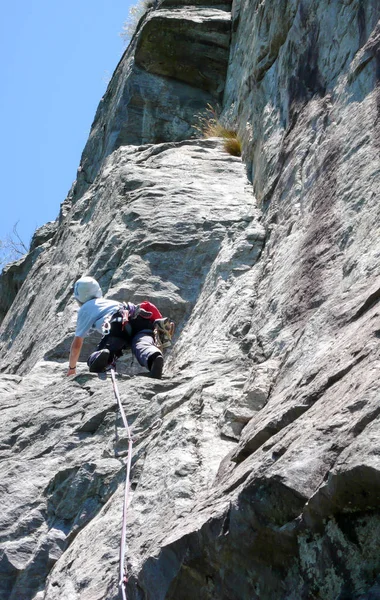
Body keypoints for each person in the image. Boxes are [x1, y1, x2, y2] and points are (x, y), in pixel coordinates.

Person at [67, 276, 164, 378]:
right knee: (143, 345)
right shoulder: (109, 303)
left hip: (118, 325)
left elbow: (77, 344)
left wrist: (72, 368)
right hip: (141, 320)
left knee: (107, 350)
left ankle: (103, 355)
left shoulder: (85, 308)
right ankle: (153, 357)